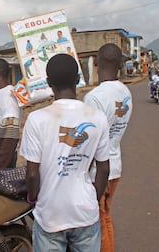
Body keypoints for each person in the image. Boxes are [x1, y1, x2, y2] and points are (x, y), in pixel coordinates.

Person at [21, 54, 110, 252]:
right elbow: (103, 169)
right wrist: (92, 199)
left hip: (51, 214)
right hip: (85, 212)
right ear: (78, 79)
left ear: (48, 82)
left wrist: (34, 199)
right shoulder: (98, 117)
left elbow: (33, 174)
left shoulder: (37, 119)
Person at [83, 43, 133, 252]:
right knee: (105, 218)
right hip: (115, 166)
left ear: (97, 61)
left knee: (98, 224)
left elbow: (90, 142)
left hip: (98, 171)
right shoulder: (125, 92)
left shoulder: (95, 97)